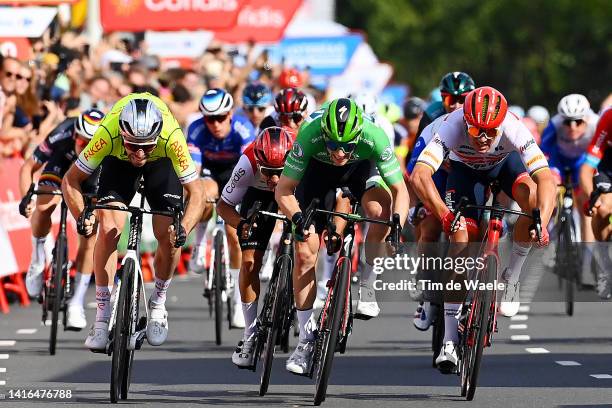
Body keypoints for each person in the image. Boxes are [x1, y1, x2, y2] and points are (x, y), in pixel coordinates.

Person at [411, 86, 556, 373]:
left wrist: (543, 220)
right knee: (462, 242)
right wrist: (443, 215)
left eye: (491, 131)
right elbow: (420, 175)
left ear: (501, 124)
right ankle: (449, 340)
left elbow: (546, 179)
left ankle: (511, 277)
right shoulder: (452, 125)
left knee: (534, 199)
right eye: (477, 131)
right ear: (466, 121)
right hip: (464, 174)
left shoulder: (513, 127)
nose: (484, 138)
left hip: (505, 167)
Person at [275, 98, 409, 375]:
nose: (338, 153)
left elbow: (400, 191)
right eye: (333, 145)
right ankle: (304, 340)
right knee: (304, 253)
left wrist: (397, 225)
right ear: (324, 134)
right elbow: (284, 190)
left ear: (359, 135)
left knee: (381, 211)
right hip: (317, 175)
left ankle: (368, 285)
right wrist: (298, 219)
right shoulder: (309, 134)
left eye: (346, 146)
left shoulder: (375, 136)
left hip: (360, 171)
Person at [62, 93, 203, 350]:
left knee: (169, 235)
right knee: (108, 229)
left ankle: (158, 303)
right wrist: (80, 214)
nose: (139, 153)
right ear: (122, 135)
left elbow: (198, 193)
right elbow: (70, 180)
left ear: (157, 137)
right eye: (133, 145)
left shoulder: (171, 137)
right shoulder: (108, 133)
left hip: (161, 165)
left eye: (146, 145)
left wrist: (184, 228)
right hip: (118, 164)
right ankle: (103, 317)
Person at [216, 127, 294, 368]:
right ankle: (250, 333)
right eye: (268, 172)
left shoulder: (302, 158)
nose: (272, 179)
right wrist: (241, 225)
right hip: (257, 196)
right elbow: (223, 207)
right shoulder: (247, 163)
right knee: (250, 261)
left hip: (294, 191)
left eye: (278, 173)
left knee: (305, 250)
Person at [19, 109, 104, 330]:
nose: (86, 147)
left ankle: (77, 301)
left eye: (91, 143)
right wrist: (26, 197)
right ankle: (38, 258)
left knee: (90, 230)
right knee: (46, 204)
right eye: (83, 141)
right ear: (75, 135)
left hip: (91, 176)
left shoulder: (105, 145)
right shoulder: (62, 132)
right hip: (60, 166)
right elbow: (28, 166)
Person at [409, 72, 475, 330]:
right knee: (430, 227)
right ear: (442, 98)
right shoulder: (432, 113)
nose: (456, 104)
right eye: (450, 99)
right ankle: (427, 291)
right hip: (437, 172)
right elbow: (415, 162)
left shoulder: (477, 112)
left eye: (462, 99)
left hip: (466, 173)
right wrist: (419, 203)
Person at [186, 88, 256, 328]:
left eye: (220, 118)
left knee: (233, 235)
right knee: (203, 193)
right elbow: (193, 172)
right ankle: (199, 246)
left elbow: (249, 169)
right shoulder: (195, 130)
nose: (215, 124)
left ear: (230, 114)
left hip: (237, 172)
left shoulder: (244, 129)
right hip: (210, 172)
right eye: (209, 119)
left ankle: (238, 301)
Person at [541, 94, 600, 280]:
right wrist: (550, 177)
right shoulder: (554, 124)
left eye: (578, 121)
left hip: (582, 164)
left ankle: (586, 262)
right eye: (567, 122)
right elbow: (542, 154)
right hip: (558, 161)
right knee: (548, 191)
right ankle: (550, 237)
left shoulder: (596, 124)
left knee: (586, 208)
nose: (572, 127)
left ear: (587, 118)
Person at [580, 107, 612, 298]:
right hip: (608, 165)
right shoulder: (608, 118)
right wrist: (591, 196)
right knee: (602, 208)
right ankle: (605, 269)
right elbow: (586, 168)